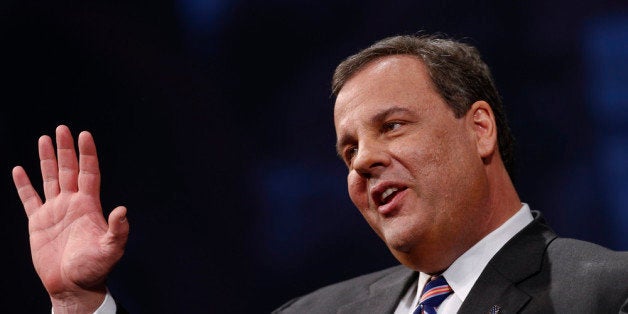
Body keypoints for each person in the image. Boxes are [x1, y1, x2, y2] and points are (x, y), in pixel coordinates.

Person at [12, 34, 628, 313]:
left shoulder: (603, 290)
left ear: (480, 128)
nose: (362, 160)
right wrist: (79, 304)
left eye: (392, 126)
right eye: (347, 150)